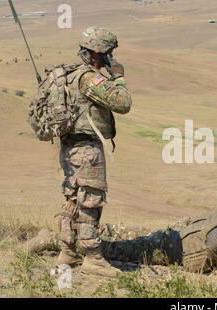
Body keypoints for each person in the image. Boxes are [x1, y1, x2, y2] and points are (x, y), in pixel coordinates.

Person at [28, 193, 217, 278]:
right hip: (168, 249)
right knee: (112, 250)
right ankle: (53, 241)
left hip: (179, 233)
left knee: (120, 236)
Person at [55, 26, 132, 277]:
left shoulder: (68, 74)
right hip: (87, 148)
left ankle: (67, 250)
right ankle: (93, 258)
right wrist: (118, 76)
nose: (111, 56)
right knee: (90, 200)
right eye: (110, 52)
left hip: (69, 147)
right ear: (100, 53)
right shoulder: (89, 78)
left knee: (74, 198)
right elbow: (122, 103)